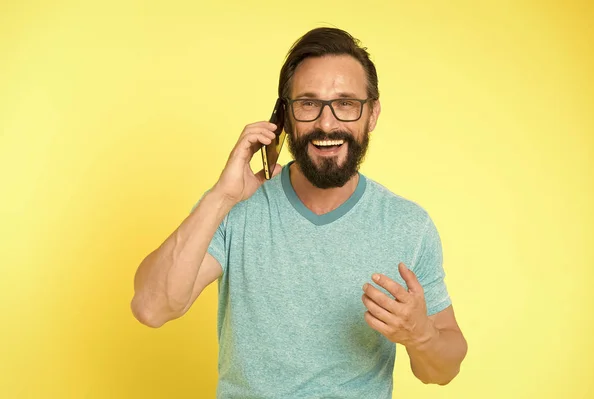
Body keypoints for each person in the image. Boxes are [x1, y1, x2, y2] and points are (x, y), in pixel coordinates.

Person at [131, 27, 468, 398]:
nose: (326, 124)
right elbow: (152, 308)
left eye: (345, 103)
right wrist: (221, 196)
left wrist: (419, 334)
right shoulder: (234, 208)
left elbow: (442, 370)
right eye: (308, 104)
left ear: (371, 114)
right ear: (284, 117)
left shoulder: (408, 225)